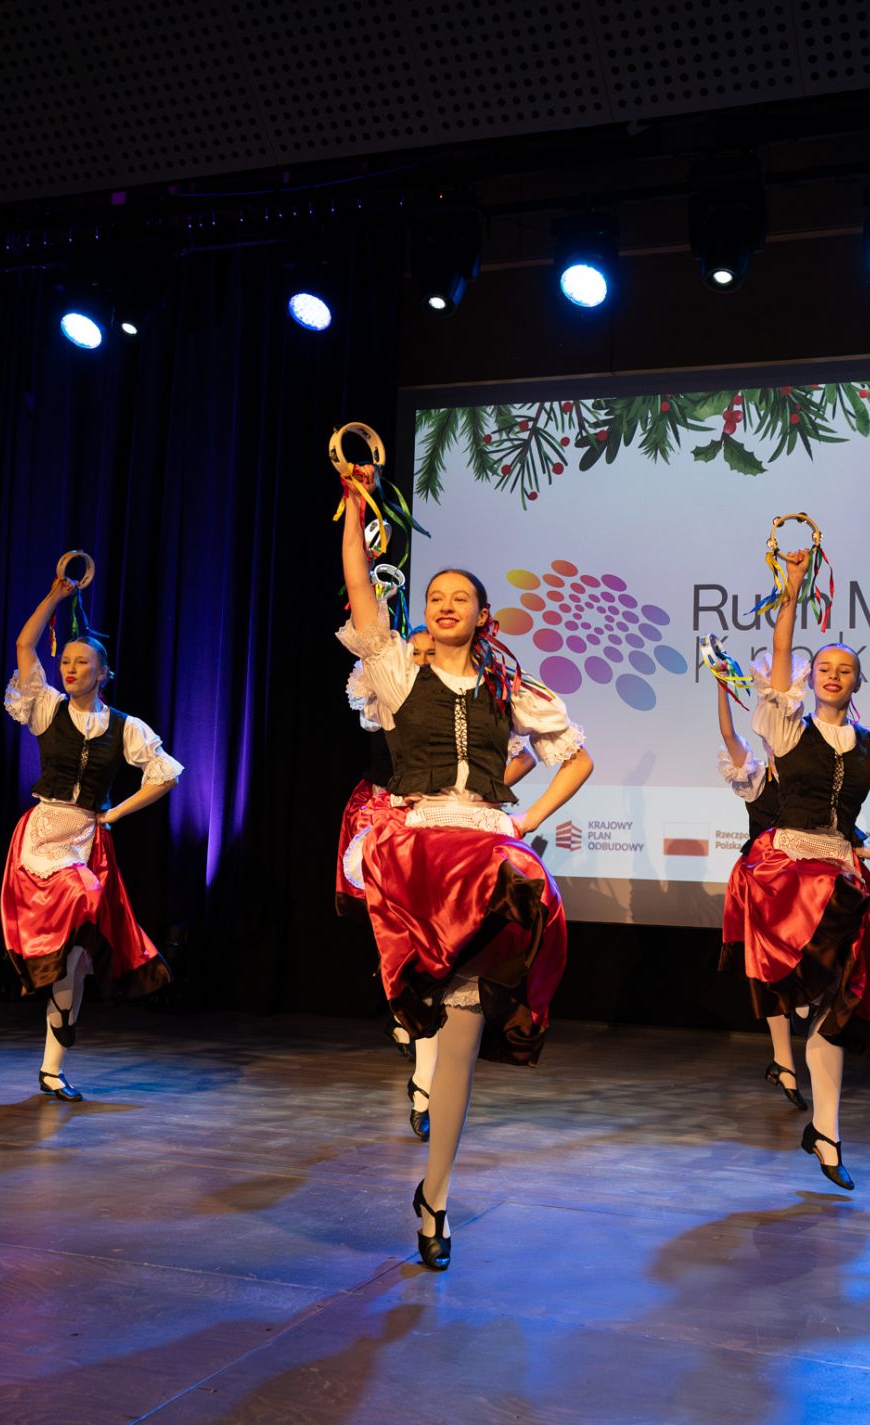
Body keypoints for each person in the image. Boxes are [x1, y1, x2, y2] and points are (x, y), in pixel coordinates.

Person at [338, 468, 592, 1270]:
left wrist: (525, 819)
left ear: (483, 616)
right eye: (435, 596)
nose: (445, 604)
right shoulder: (396, 671)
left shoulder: (509, 688)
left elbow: (576, 759)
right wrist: (354, 505)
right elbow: (360, 591)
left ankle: (436, 1195)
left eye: (461, 597)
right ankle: (414, 1028)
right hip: (418, 848)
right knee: (434, 1010)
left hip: (482, 847)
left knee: (463, 1037)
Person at [719, 548, 870, 1191]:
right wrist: (791, 592)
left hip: (842, 876)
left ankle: (826, 1131)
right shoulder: (787, 728)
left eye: (844, 669)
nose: (832, 675)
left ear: (857, 683)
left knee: (834, 1009)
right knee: (809, 996)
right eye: (823, 667)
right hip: (787, 873)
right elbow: (781, 658)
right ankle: (792, 1049)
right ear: (810, 676)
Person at [340, 628, 537, 1142]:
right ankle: (419, 1054)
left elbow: (526, 756)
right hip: (396, 828)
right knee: (410, 955)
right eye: (418, 651)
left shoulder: (475, 700)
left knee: (443, 961)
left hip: (454, 834)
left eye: (433, 651)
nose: (426, 658)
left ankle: (425, 1077)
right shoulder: (394, 689)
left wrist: (474, 795)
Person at [2, 577, 182, 1102]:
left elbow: (165, 775)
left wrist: (114, 814)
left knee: (77, 959)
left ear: (103, 674)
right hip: (42, 835)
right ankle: (53, 1024)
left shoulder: (124, 726)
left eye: (82, 662)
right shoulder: (46, 708)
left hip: (85, 837)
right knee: (70, 931)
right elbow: (25, 645)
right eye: (66, 661)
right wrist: (55, 596)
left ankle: (52, 1066)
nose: (70, 668)